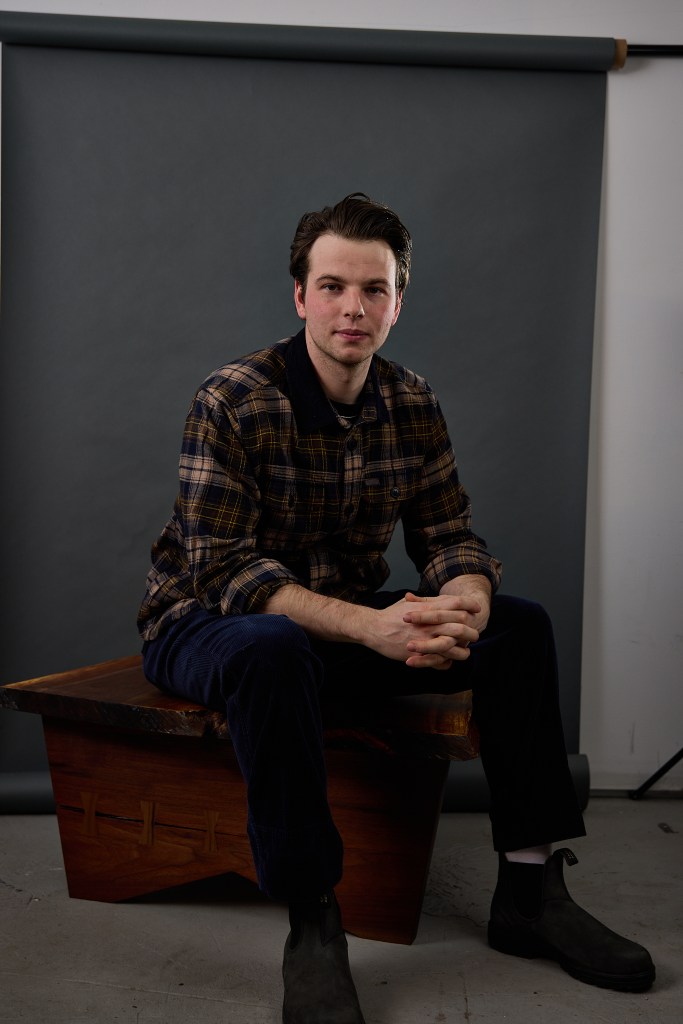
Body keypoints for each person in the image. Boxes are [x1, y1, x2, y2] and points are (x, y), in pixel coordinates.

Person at [138, 193, 654, 1022]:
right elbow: (228, 572)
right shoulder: (232, 398)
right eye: (332, 287)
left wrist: (464, 601)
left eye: (372, 289)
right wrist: (371, 628)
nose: (353, 307)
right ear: (300, 297)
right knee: (271, 645)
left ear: (396, 302)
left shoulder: (411, 401)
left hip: (335, 624)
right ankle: (313, 919)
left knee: (519, 627)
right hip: (203, 624)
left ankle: (527, 892)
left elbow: (449, 535)